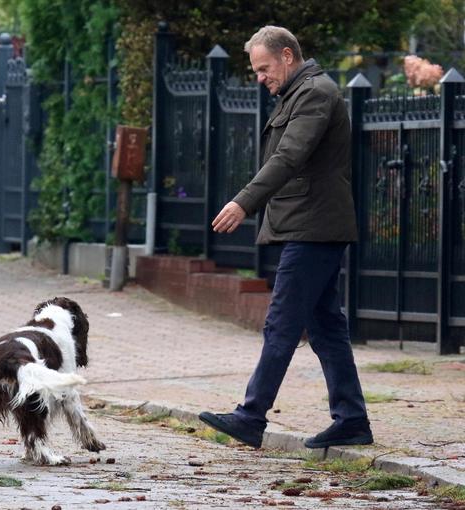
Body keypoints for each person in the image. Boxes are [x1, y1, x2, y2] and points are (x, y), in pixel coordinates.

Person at [198, 26, 373, 449]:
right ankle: (351, 419)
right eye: (256, 70)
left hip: (315, 227)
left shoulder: (315, 93)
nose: (260, 77)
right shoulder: (299, 93)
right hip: (309, 223)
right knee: (326, 326)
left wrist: (244, 202)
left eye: (264, 68)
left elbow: (289, 156)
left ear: (288, 56)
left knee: (281, 322)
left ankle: (251, 416)